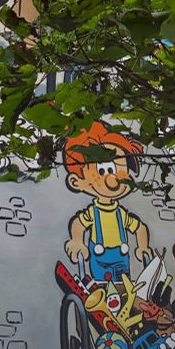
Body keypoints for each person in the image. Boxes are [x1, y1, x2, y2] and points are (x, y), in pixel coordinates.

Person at [63, 120, 153, 283]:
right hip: (99, 258)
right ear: (77, 181)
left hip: (122, 258)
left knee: (123, 288)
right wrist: (77, 241)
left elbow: (139, 227)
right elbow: (79, 224)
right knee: (103, 287)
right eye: (104, 170)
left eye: (120, 170)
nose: (114, 179)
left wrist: (143, 247)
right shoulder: (93, 212)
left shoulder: (121, 214)